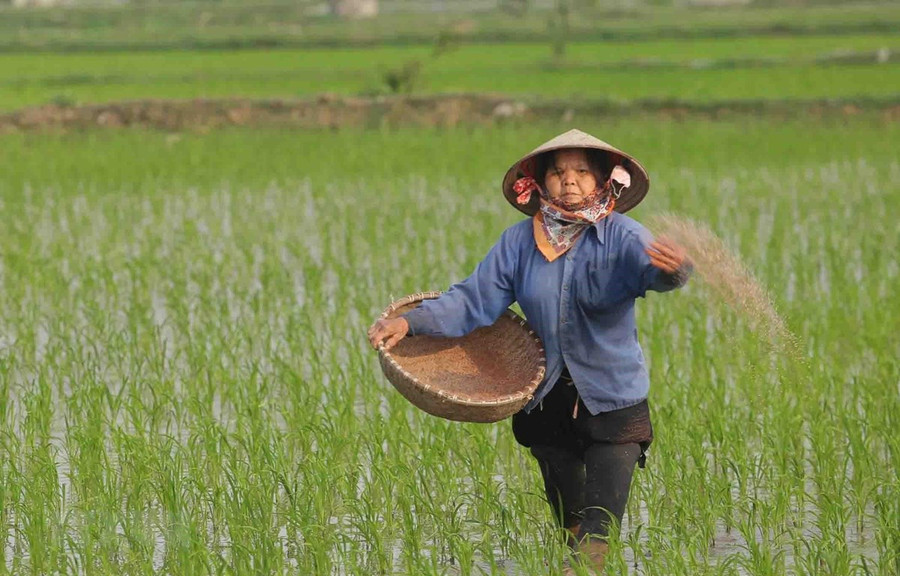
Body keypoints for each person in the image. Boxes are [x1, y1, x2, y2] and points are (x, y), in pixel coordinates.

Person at [368, 129, 692, 574]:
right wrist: (409, 322)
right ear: (540, 183)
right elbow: (472, 300)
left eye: (581, 171)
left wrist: (676, 272)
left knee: (599, 532)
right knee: (571, 524)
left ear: (602, 181)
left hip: (613, 399)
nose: (570, 181)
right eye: (558, 172)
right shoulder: (520, 244)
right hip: (546, 402)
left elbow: (655, 274)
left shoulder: (624, 237)